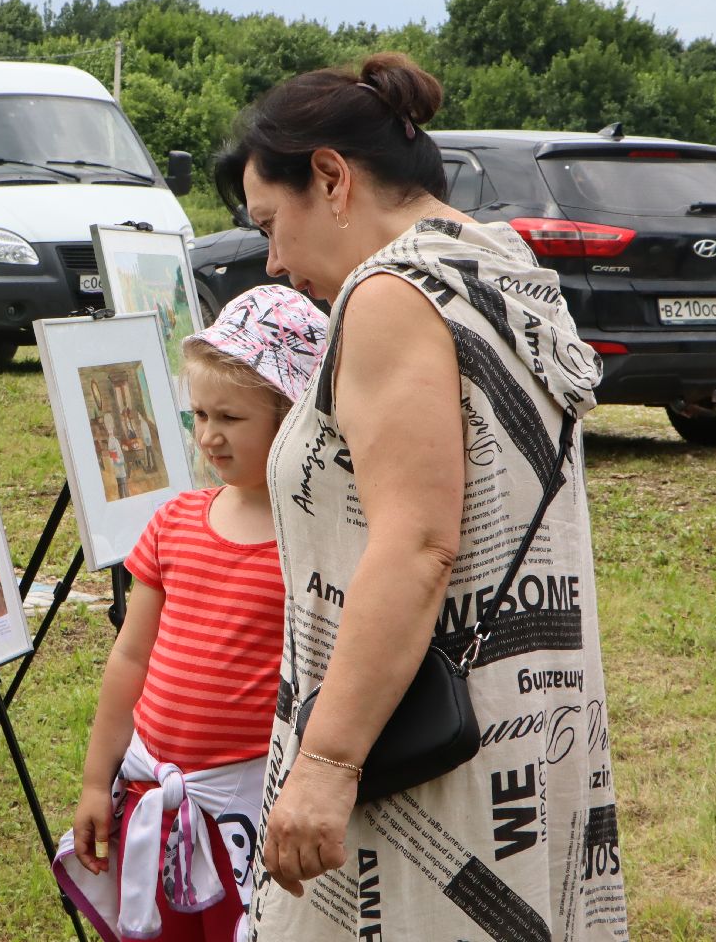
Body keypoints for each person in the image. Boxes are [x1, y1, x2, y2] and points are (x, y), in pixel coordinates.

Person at [215, 54, 624, 940]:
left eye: (272, 224)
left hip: (418, 760)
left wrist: (327, 761)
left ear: (332, 177)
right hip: (521, 730)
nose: (275, 262)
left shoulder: (391, 295)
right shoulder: (502, 265)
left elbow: (417, 544)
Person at [55, 284, 328, 942]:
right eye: (199, 414)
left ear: (295, 415)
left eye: (230, 417)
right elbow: (131, 657)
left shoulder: (316, 542)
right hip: (153, 796)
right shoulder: (174, 521)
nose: (208, 435)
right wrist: (96, 782)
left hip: (248, 816)